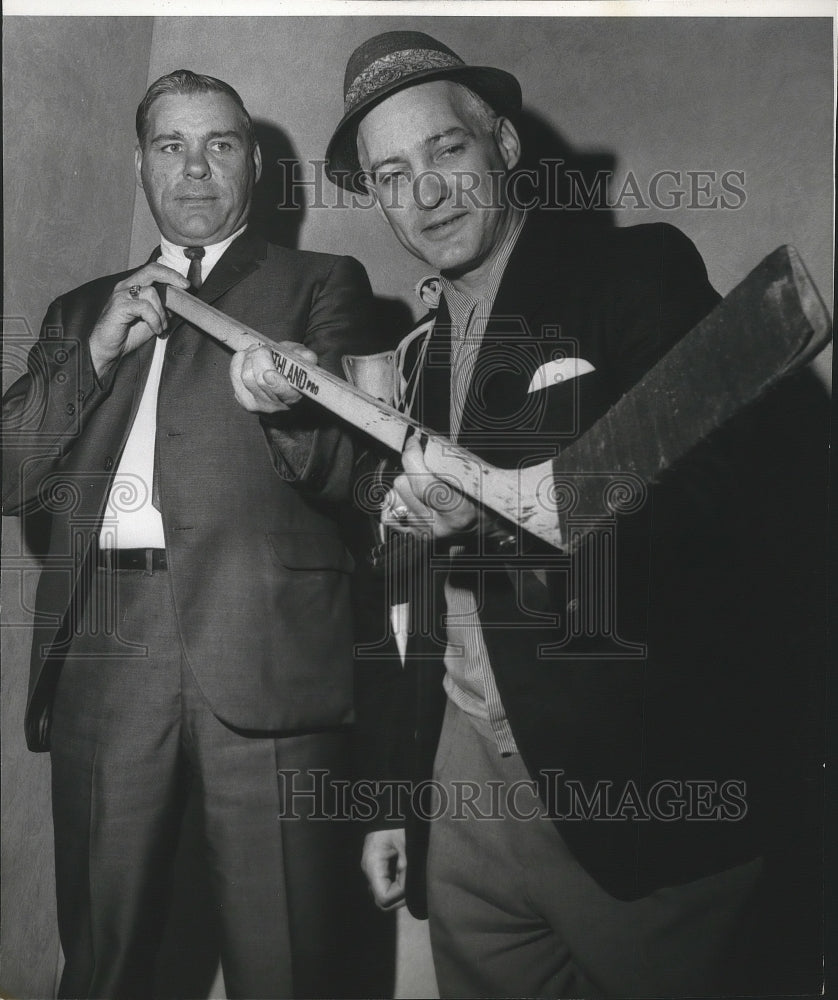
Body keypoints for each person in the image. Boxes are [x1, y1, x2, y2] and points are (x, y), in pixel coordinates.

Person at [323, 31, 828, 997]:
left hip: (632, 793)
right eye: (391, 174)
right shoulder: (414, 354)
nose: (423, 193)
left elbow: (730, 497)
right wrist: (396, 796)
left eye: (445, 151)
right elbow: (404, 594)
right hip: (463, 796)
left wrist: (496, 524)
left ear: (505, 146)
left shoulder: (633, 273)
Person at [2, 69, 385, 999]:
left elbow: (364, 482)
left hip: (266, 643)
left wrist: (291, 412)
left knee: (285, 960)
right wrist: (96, 350)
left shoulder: (324, 285)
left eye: (220, 144)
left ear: (252, 163)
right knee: (105, 959)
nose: (196, 167)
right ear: (140, 164)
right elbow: (11, 474)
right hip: (107, 648)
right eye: (170, 145)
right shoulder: (79, 308)